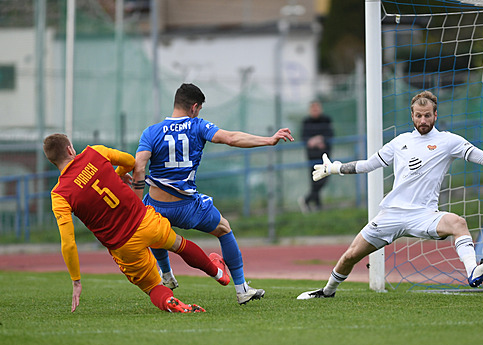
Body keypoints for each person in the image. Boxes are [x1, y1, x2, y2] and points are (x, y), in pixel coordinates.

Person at [297, 91, 483, 299]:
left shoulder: (449, 141)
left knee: (458, 223)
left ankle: (473, 272)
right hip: (392, 214)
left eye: (427, 116)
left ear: (435, 115)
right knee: (351, 254)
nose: (423, 120)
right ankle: (327, 291)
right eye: (418, 116)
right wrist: (335, 168)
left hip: (423, 215)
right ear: (412, 115)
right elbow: (368, 164)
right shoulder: (399, 143)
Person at [133, 83, 294, 305]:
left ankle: (167, 275)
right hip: (187, 207)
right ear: (194, 107)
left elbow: (139, 167)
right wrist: (268, 140)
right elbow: (231, 138)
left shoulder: (151, 132)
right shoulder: (197, 125)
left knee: (154, 228)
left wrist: (135, 201)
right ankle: (242, 289)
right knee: (224, 229)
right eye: (199, 110)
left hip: (157, 204)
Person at [44, 133, 230, 313]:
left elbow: (68, 243)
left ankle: (168, 301)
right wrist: (118, 174)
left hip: (123, 245)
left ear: (53, 161)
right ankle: (218, 273)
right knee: (179, 244)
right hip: (145, 222)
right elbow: (130, 161)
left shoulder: (59, 195)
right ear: (70, 149)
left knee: (152, 287)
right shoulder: (95, 152)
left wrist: (76, 280)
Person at [298, 100, 334, 213]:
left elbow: (330, 135)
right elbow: (304, 138)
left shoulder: (326, 120)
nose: (315, 110)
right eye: (313, 108)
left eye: (317, 108)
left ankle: (306, 200)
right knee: (315, 180)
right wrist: (313, 141)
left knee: (324, 178)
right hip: (312, 156)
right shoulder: (306, 122)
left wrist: (319, 140)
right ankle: (317, 206)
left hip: (325, 155)